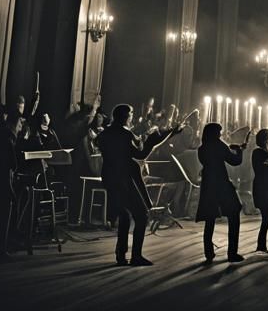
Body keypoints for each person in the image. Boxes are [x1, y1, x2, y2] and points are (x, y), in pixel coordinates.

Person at [97, 103, 182, 266]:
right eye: (130, 114)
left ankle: (121, 256)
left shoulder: (106, 133)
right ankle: (135, 256)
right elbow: (140, 154)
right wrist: (154, 139)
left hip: (109, 177)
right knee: (141, 216)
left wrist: (163, 135)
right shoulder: (124, 134)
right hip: (122, 178)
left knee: (124, 216)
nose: (131, 117)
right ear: (124, 116)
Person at [197, 122, 249, 263]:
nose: (221, 134)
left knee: (210, 218)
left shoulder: (202, 148)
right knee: (234, 213)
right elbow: (235, 161)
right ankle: (232, 253)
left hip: (208, 184)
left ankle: (209, 253)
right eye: (219, 132)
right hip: (221, 183)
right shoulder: (219, 145)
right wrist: (239, 150)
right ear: (214, 133)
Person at [0, 113, 21, 262]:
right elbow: (13, 164)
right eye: (19, 125)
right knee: (4, 216)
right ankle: (1, 250)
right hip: (4, 183)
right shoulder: (8, 139)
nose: (20, 128)